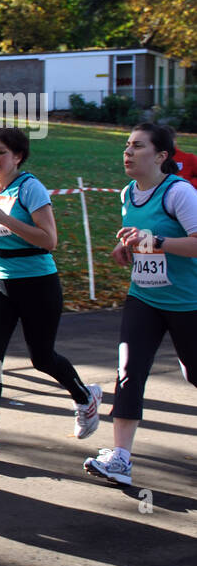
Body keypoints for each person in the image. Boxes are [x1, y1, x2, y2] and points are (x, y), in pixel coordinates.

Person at [0, 127, 101, 459]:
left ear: (17, 157)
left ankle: (84, 397)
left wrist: (6, 218)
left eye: (0, 152)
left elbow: (49, 240)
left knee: (42, 357)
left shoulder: (31, 188)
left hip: (37, 283)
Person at [86, 123, 197, 486]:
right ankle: (120, 458)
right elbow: (141, 238)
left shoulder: (178, 193)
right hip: (144, 298)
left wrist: (157, 239)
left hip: (188, 302)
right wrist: (127, 247)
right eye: (126, 146)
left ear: (162, 156)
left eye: (137, 147)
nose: (127, 153)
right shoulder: (127, 193)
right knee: (129, 372)